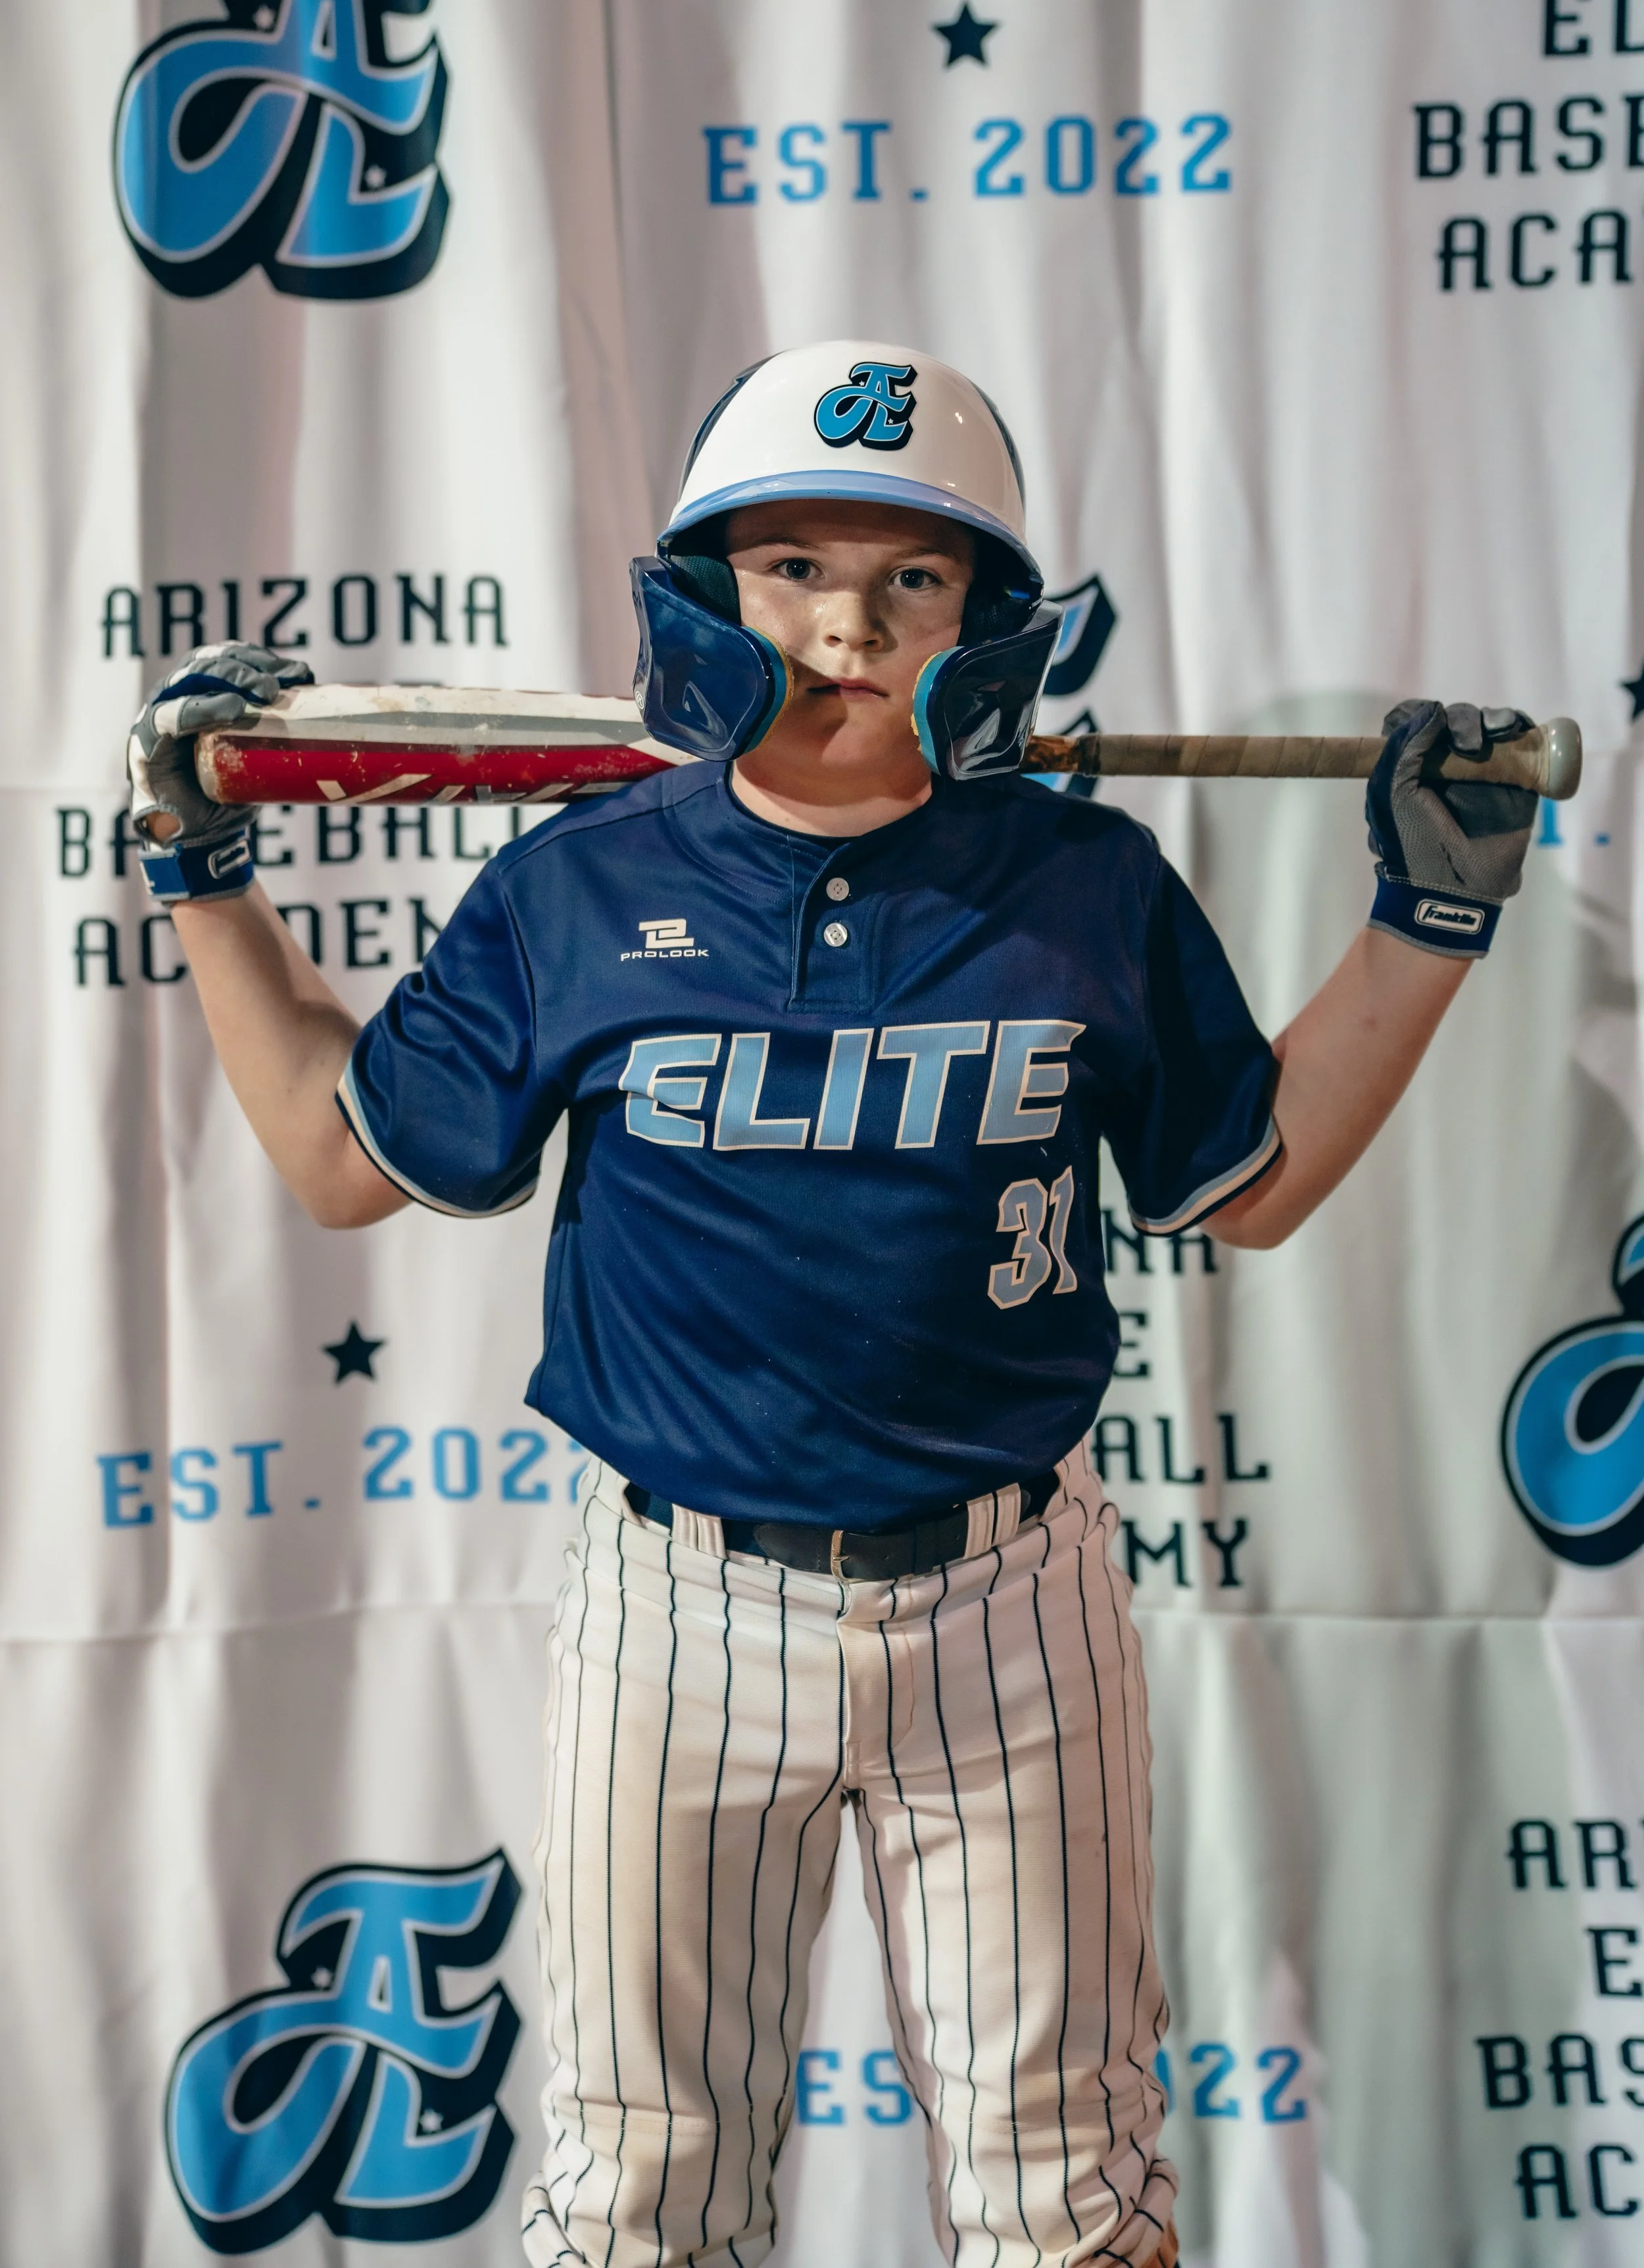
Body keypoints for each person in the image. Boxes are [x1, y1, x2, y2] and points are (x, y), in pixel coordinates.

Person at [126, 341, 1536, 2268]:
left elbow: (1257, 1182)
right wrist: (204, 877)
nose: (847, 627)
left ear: (992, 623)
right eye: (789, 565)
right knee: (641, 2193)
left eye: (911, 579)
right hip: (676, 1602)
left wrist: (1429, 918)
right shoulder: (577, 886)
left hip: (1012, 1598)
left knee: (1069, 2190)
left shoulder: (1083, 884)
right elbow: (337, 1155)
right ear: (702, 598)